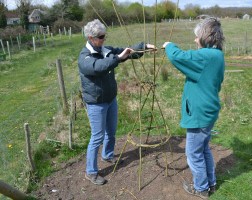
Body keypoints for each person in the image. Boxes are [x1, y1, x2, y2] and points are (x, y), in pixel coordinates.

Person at [78, 19, 155, 185]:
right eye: (100, 37)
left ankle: (107, 155)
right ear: (91, 38)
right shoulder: (85, 57)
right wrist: (117, 58)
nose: (104, 39)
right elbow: (98, 67)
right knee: (97, 136)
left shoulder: (106, 50)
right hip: (96, 103)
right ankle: (91, 172)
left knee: (111, 131)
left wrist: (144, 46)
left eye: (104, 36)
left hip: (110, 99)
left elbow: (126, 51)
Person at [163, 17, 225, 199]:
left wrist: (169, 45)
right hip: (209, 111)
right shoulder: (217, 55)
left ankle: (201, 188)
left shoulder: (205, 56)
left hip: (199, 114)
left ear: (205, 37)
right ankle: (210, 184)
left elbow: (177, 56)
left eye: (197, 36)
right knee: (204, 149)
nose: (195, 40)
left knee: (193, 153)